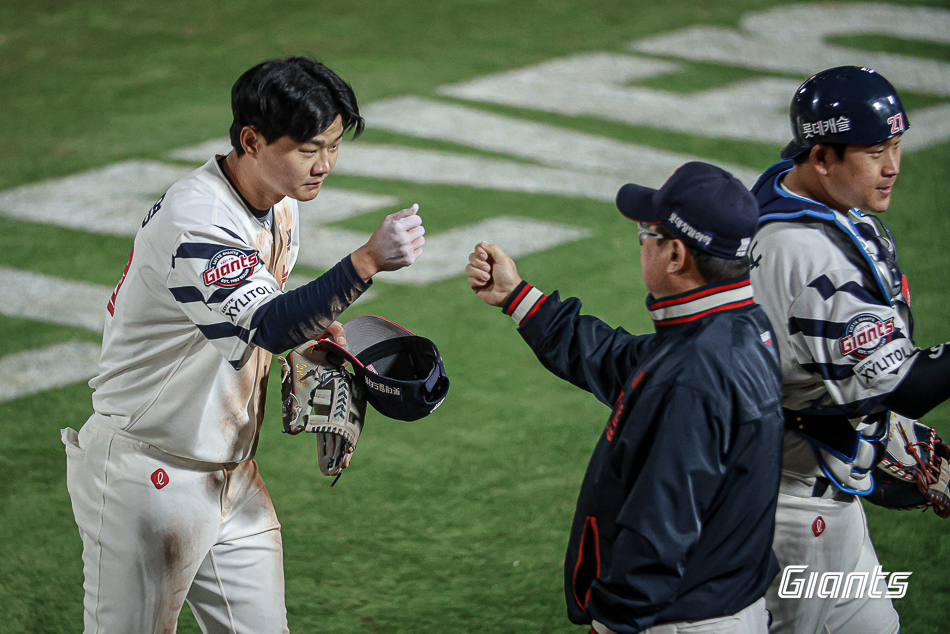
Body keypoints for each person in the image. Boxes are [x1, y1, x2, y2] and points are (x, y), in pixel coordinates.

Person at [60, 56, 426, 633]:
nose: (325, 164)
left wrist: (313, 340)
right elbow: (267, 325)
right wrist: (366, 261)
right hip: (145, 478)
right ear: (251, 139)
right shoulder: (197, 220)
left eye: (333, 146)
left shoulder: (279, 202)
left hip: (232, 476)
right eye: (309, 148)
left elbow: (259, 317)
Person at [467, 161, 785, 633]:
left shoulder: (694, 374)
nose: (641, 243)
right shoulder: (739, 330)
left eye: (646, 233)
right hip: (721, 603)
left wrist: (613, 622)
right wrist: (518, 297)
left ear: (675, 255)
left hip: (678, 620)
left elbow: (659, 528)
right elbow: (623, 361)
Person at [749, 65, 950, 633]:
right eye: (873, 152)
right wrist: (881, 422)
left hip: (820, 492)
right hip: (796, 514)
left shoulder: (784, 187)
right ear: (821, 157)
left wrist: (879, 434)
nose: (893, 166)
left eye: (896, 144)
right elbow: (906, 388)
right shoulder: (809, 255)